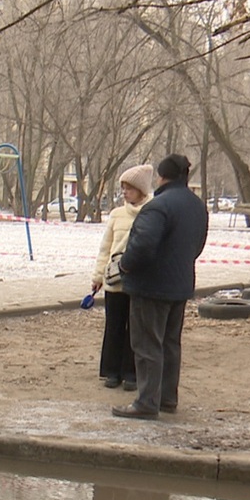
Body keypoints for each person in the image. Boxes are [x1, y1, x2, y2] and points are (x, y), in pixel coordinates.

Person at [112, 154, 208, 420]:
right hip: (180, 284)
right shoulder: (197, 206)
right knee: (170, 344)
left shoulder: (157, 207)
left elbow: (142, 245)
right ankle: (167, 398)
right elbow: (198, 245)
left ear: (161, 177)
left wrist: (126, 266)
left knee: (146, 345)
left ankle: (146, 402)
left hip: (150, 286)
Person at [91, 164, 153, 391]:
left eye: (129, 188)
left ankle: (131, 373)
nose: (125, 193)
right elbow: (105, 248)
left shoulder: (152, 213)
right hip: (114, 280)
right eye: (123, 188)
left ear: (141, 190)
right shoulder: (116, 215)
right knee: (114, 326)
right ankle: (111, 371)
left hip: (139, 281)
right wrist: (98, 276)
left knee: (135, 329)